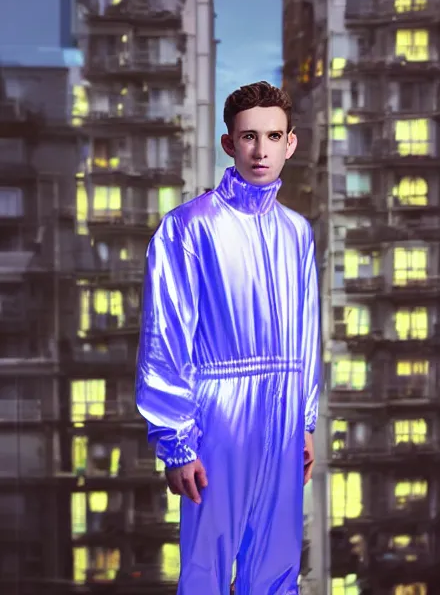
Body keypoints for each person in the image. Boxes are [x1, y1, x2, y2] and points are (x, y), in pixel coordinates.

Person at [136, 81, 320, 594]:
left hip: (283, 416)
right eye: (248, 137)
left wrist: (305, 421)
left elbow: (307, 333)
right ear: (229, 144)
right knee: (205, 572)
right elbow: (166, 337)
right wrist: (175, 442)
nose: (261, 150)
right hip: (218, 416)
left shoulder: (296, 232)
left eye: (273, 136)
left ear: (291, 143)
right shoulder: (188, 229)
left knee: (279, 568)